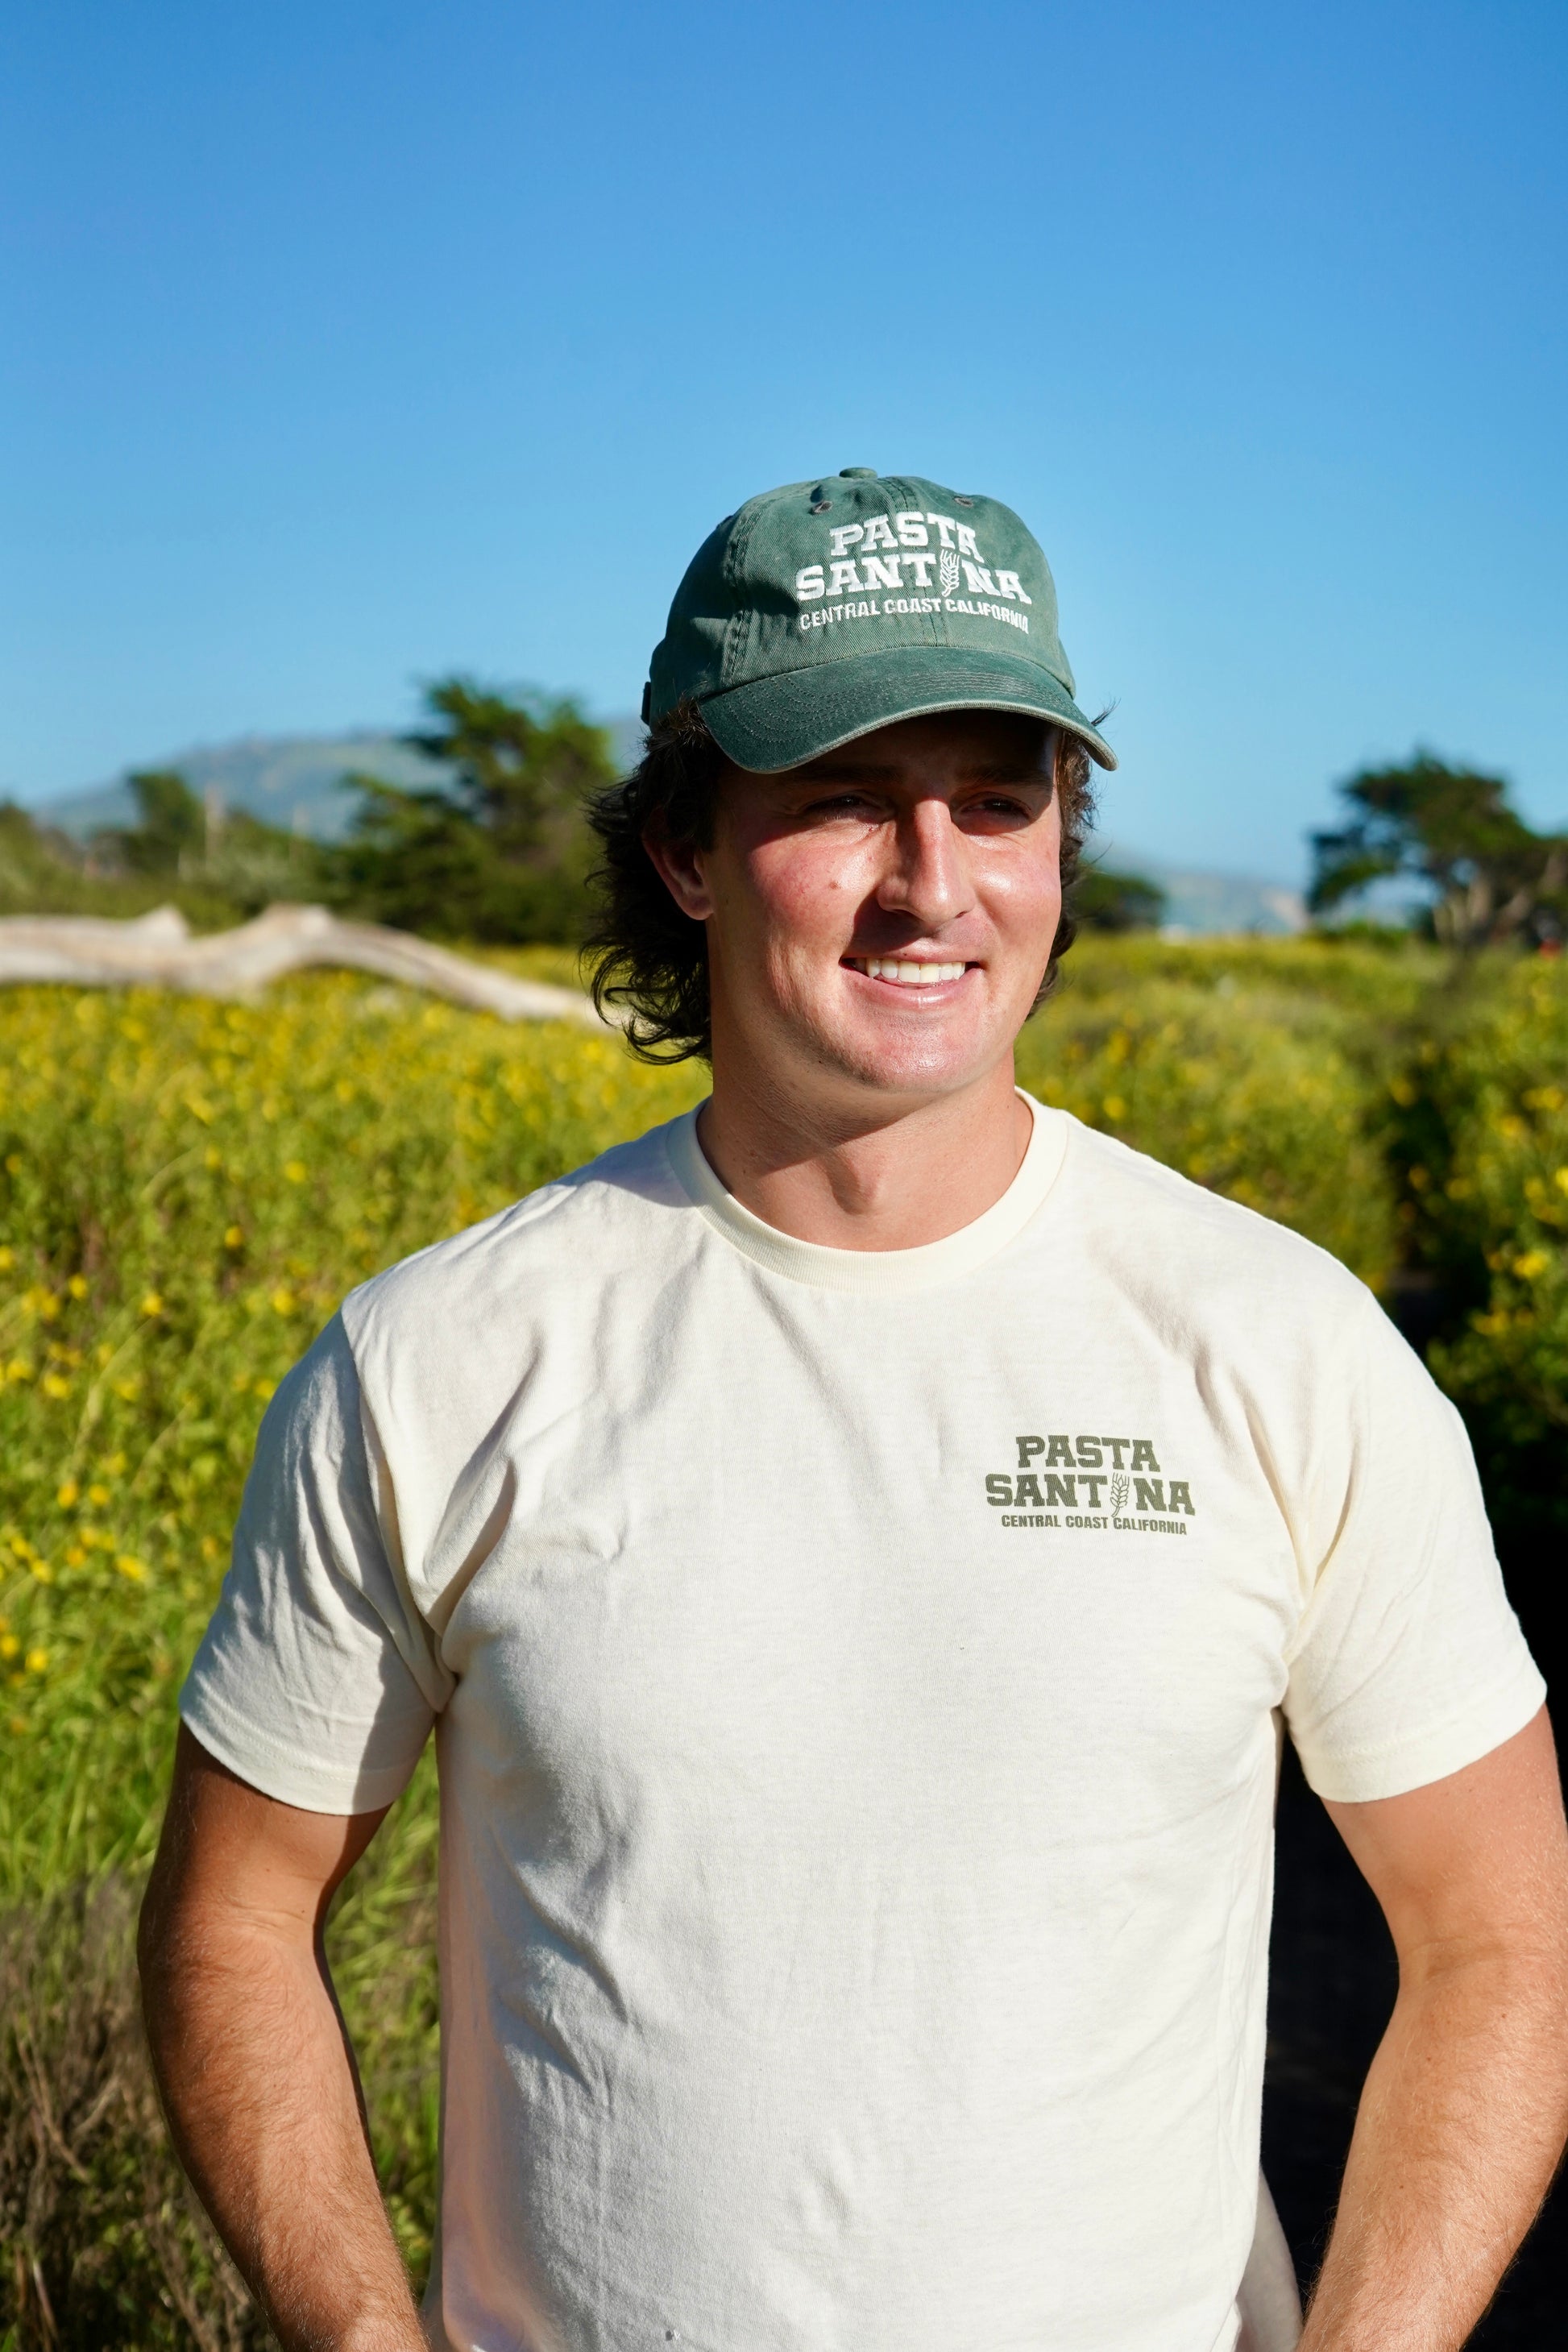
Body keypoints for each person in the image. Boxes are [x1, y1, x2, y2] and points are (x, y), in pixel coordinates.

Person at [140, 469, 1568, 2352]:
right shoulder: (440, 1362)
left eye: (997, 798)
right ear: (684, 843)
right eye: (837, 795)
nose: (932, 877)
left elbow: (1495, 1939)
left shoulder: (1281, 1345)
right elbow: (233, 1920)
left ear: (1061, 835)